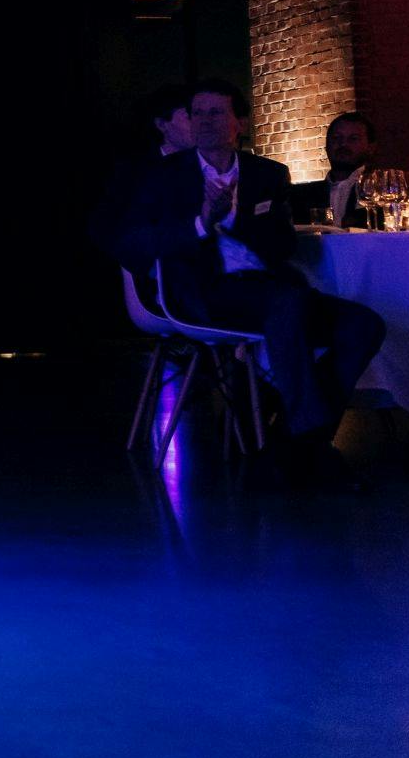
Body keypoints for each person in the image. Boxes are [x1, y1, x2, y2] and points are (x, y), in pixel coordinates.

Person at [110, 80, 386, 481]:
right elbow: (131, 240)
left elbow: (283, 243)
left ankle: (293, 438)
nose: (204, 121)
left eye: (216, 112)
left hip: (266, 288)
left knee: (364, 325)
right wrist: (201, 223)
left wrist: (237, 220)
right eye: (197, 113)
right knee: (286, 302)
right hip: (204, 295)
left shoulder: (267, 174)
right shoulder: (163, 176)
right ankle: (312, 442)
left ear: (239, 122)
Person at [88, 83, 194, 257]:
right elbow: (105, 226)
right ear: (162, 125)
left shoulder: (208, 164)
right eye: (188, 116)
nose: (200, 124)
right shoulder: (134, 172)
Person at [287, 111, 376, 228]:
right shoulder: (301, 196)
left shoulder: (381, 192)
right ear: (326, 147)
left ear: (371, 147)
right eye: (336, 138)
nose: (343, 144)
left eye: (353, 139)